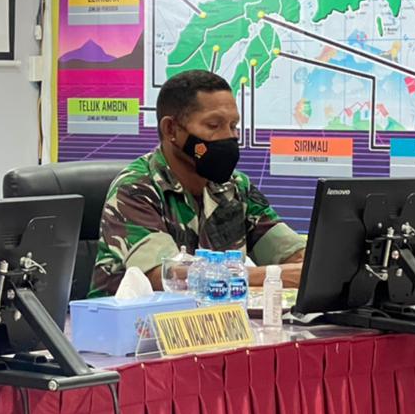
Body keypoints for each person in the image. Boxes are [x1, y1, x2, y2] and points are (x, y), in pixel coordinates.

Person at [90, 69, 305, 297]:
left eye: (233, 126)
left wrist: (308, 266)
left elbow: (296, 255)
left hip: (216, 317)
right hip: (134, 318)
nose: (229, 136)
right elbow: (166, 278)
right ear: (171, 129)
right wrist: (273, 275)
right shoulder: (135, 188)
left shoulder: (236, 187)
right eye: (213, 125)